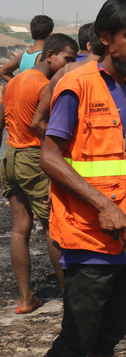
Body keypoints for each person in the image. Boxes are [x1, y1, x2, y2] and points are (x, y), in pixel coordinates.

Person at [29, 0, 126, 357]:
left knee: (107, 340)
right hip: (89, 243)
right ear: (105, 36)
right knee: (75, 342)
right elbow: (50, 156)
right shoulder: (78, 85)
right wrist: (102, 204)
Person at [2, 33, 78, 313]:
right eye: (67, 59)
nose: (69, 65)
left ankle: (25, 300)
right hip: (35, 161)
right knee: (53, 227)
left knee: (19, 230)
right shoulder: (46, 87)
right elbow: (47, 130)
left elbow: (1, 122)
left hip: (10, 157)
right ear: (49, 56)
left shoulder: (14, 82)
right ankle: (71, 300)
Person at [31, 24, 126, 137]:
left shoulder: (63, 73)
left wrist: (60, 148)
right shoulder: (119, 82)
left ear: (90, 45)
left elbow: (38, 122)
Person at [0, 15, 54, 82]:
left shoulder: (22, 56)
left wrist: (18, 85)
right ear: (50, 35)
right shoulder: (46, 57)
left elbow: (2, 72)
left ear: (31, 35)